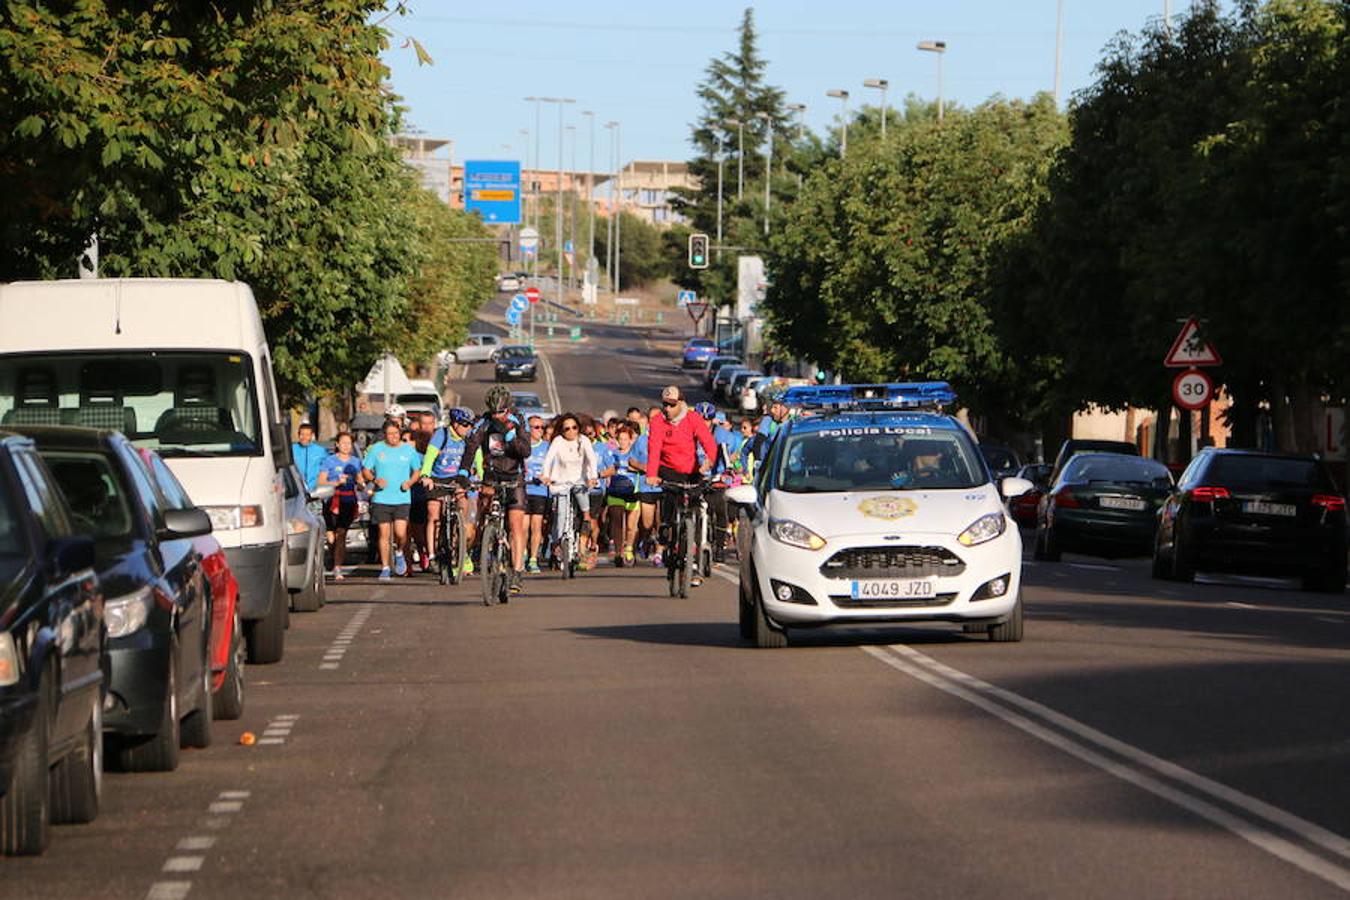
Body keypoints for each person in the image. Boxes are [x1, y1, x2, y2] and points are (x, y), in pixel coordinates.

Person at [459, 385, 532, 594]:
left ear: (507, 409)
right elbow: (471, 447)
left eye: (501, 412)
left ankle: (517, 571)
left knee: (515, 524)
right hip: (491, 476)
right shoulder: (485, 421)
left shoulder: (519, 420)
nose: (497, 416)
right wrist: (463, 473)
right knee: (485, 511)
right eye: (494, 412)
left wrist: (511, 435)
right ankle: (487, 543)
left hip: (514, 477)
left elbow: (525, 451)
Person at [647, 386, 717, 586]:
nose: (667, 408)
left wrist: (709, 462)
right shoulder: (657, 421)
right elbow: (654, 449)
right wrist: (651, 474)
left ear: (680, 403)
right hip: (668, 469)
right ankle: (667, 534)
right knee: (670, 502)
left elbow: (708, 442)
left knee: (693, 509)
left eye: (671, 405)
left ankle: (693, 562)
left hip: (691, 470)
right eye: (664, 404)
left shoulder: (693, 418)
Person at [361, 418, 422, 580]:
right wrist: (375, 480)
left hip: (402, 497)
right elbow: (366, 470)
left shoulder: (408, 450)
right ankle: (385, 567)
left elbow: (417, 471)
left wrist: (409, 482)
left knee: (401, 533)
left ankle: (400, 551)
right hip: (381, 497)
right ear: (384, 435)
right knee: (384, 533)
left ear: (400, 433)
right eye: (389, 434)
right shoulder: (376, 449)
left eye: (395, 433)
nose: (392, 437)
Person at [420, 407, 477, 576]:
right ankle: (431, 556)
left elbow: (473, 459)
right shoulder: (441, 435)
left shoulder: (468, 439)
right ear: (455, 423)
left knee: (463, 507)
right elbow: (430, 456)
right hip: (437, 478)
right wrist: (425, 475)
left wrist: (475, 474)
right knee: (434, 515)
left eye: (470, 425)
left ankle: (459, 548)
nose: (468, 429)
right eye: (465, 425)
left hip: (457, 478)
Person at [541, 413, 600, 569]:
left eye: (574, 428)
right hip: (560, 482)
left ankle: (583, 545)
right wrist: (546, 476)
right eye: (567, 429)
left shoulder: (584, 440)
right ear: (562, 430)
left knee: (585, 511)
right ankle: (557, 543)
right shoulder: (558, 441)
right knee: (560, 515)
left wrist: (593, 477)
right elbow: (548, 459)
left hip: (579, 481)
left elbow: (592, 459)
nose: (571, 431)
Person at [318, 432, 363, 580]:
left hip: (348, 501)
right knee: (331, 536)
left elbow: (360, 481)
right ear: (337, 444)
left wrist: (363, 485)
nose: (346, 446)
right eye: (343, 443)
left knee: (341, 533)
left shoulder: (355, 462)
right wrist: (336, 482)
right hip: (331, 501)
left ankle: (338, 567)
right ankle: (334, 555)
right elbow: (321, 482)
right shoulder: (329, 461)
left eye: (349, 443)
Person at [601, 423, 641, 567]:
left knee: (631, 526)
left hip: (632, 492)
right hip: (615, 491)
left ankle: (629, 548)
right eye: (620, 439)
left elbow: (644, 469)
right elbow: (607, 468)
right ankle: (619, 553)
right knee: (617, 523)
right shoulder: (612, 453)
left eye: (626, 439)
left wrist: (634, 467)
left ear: (631, 440)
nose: (623, 442)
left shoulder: (635, 455)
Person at [523, 415, 550, 573]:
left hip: (540, 491)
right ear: (528, 429)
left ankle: (533, 558)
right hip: (524, 489)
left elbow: (553, 467)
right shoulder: (523, 446)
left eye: (542, 427)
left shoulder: (547, 446)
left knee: (536, 526)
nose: (540, 430)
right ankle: (523, 552)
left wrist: (548, 477)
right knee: (523, 527)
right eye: (536, 427)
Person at [292, 422, 325, 491]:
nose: (304, 437)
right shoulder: (292, 449)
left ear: (312, 435)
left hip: (315, 491)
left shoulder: (320, 451)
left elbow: (328, 468)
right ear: (298, 434)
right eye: (302, 434)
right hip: (297, 491)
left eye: (307, 435)